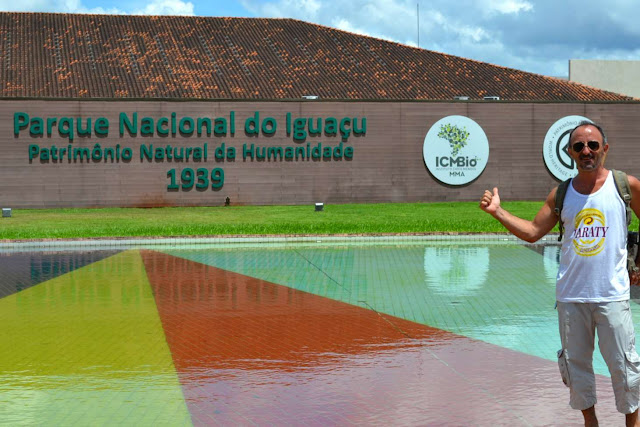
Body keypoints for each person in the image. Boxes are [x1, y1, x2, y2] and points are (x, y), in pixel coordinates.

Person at [479, 121, 640, 426]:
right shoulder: (562, 194)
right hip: (571, 298)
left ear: (605, 149)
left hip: (612, 296)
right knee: (576, 368)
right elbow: (532, 232)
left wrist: (638, 262)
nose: (586, 151)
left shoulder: (625, 185)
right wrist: (497, 211)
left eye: (593, 145)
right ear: (569, 153)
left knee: (624, 367)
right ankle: (590, 422)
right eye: (578, 146)